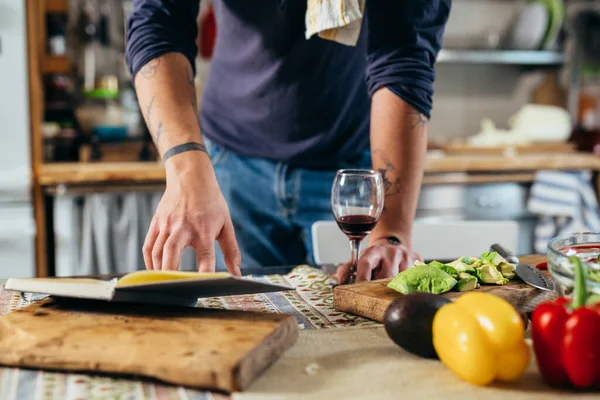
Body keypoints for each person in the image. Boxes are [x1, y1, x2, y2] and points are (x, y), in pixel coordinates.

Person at [126, 1, 451, 282]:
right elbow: (158, 21)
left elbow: (404, 53)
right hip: (227, 167)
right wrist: (186, 166)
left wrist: (390, 233)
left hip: (350, 172)